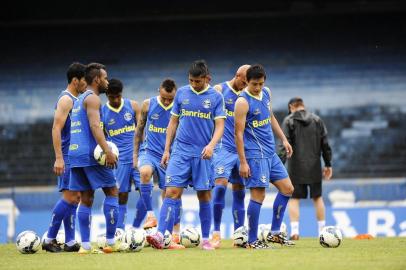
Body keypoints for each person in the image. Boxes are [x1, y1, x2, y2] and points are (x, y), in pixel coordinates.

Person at [146, 60, 226, 251]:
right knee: (171, 192)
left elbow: (220, 126)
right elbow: (173, 123)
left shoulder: (216, 97)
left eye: (197, 81)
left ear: (206, 78)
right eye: (191, 80)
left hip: (203, 153)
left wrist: (211, 146)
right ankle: (161, 235)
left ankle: (206, 239)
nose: (193, 84)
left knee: (204, 195)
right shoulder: (181, 93)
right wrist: (167, 149)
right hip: (180, 151)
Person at [234, 64, 295, 249]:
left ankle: (275, 233)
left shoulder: (266, 93)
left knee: (287, 189)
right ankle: (252, 240)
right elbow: (238, 133)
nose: (258, 87)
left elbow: (271, 117)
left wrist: (283, 139)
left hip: (270, 152)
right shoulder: (242, 102)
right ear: (246, 82)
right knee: (258, 195)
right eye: (254, 84)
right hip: (254, 156)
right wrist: (243, 162)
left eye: (261, 83)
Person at [68, 63, 119, 254]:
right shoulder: (93, 99)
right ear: (97, 79)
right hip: (91, 154)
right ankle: (112, 242)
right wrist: (107, 151)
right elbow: (95, 127)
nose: (107, 81)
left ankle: (86, 246)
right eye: (105, 78)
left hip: (75, 154)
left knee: (87, 198)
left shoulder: (79, 99)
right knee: (112, 191)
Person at [133, 78, 184, 249]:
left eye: (171, 99)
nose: (167, 101)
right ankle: (150, 216)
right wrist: (135, 154)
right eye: (164, 98)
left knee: (171, 194)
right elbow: (139, 129)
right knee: (145, 172)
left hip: (170, 156)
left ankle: (173, 233)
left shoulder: (180, 108)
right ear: (158, 92)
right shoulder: (148, 104)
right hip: (149, 152)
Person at [42, 62, 87, 252]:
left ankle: (69, 241)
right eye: (84, 80)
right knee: (70, 197)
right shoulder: (66, 100)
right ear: (75, 81)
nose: (86, 84)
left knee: (75, 198)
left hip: (75, 155)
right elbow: (56, 128)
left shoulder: (76, 99)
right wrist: (59, 158)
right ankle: (49, 238)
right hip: (67, 156)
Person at [278, 97, 333, 240]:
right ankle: (322, 231)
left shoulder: (289, 121)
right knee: (317, 198)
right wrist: (328, 164)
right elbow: (325, 144)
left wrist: (279, 166)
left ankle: (295, 231)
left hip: (296, 167)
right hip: (314, 166)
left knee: (294, 199)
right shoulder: (317, 120)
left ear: (291, 107)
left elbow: (284, 145)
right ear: (303, 106)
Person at [210, 65, 250, 248]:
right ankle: (216, 233)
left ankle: (239, 235)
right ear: (237, 76)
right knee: (220, 187)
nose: (246, 85)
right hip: (222, 149)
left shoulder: (247, 96)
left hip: (240, 151)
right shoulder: (219, 90)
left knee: (239, 193)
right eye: (244, 81)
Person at [101, 78, 141, 231]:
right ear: (107, 96)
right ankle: (119, 230)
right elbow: (102, 137)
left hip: (137, 157)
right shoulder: (103, 112)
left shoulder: (133, 106)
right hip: (119, 161)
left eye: (118, 96)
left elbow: (141, 130)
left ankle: (137, 228)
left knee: (146, 191)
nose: (116, 100)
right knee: (121, 195)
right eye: (112, 97)